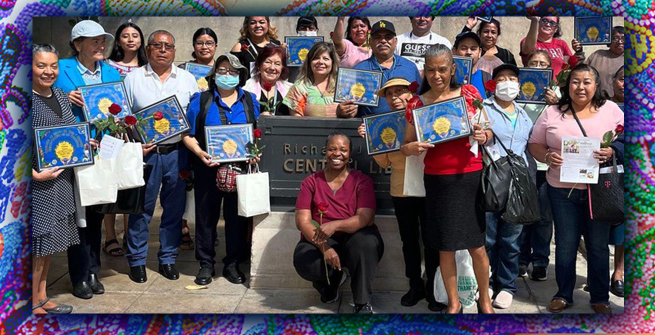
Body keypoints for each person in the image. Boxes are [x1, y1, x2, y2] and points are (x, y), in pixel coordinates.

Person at [400, 44, 494, 314]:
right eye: (430, 70)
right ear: (424, 71)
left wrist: (482, 135)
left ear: (453, 69)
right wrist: (413, 147)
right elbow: (404, 145)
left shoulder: (469, 94)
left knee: (477, 246)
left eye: (442, 69)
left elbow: (487, 130)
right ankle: (453, 303)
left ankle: (484, 300)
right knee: (446, 245)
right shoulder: (416, 104)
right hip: (437, 180)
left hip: (469, 177)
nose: (436, 75)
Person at [528, 64, 624, 314]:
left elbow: (630, 137)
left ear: (596, 85)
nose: (580, 87)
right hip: (561, 190)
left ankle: (600, 297)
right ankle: (563, 293)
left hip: (598, 190)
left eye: (586, 82)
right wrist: (548, 156)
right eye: (575, 82)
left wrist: (613, 150)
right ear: (567, 85)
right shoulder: (551, 112)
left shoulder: (611, 110)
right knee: (566, 243)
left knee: (598, 245)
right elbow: (534, 144)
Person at [357, 77, 443, 311]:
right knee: (409, 241)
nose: (395, 98)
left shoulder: (426, 114)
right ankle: (414, 284)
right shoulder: (384, 124)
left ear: (412, 93)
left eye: (401, 92)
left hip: (430, 185)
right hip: (402, 189)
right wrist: (371, 139)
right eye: (390, 94)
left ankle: (434, 288)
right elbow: (384, 162)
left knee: (432, 240)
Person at [123, 30, 199, 284]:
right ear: (148, 50)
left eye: (168, 46)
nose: (163, 50)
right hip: (146, 154)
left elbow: (194, 118)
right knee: (141, 210)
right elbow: (122, 117)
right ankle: (137, 261)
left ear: (175, 51)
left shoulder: (188, 79)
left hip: (177, 153)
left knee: (174, 211)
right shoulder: (133, 79)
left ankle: (167, 258)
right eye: (158, 45)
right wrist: (134, 139)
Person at [54, 20, 120, 300]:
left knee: (95, 215)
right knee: (77, 218)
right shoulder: (61, 69)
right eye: (94, 41)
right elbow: (41, 98)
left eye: (102, 40)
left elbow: (120, 108)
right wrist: (63, 97)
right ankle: (79, 275)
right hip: (73, 152)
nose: (101, 45)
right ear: (77, 45)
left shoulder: (112, 71)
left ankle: (94, 270)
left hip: (103, 151)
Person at [183, 53, 261, 286]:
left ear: (241, 75)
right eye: (222, 70)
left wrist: (256, 152)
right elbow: (187, 135)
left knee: (236, 218)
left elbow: (257, 132)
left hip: (240, 169)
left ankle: (232, 263)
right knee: (206, 217)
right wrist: (200, 154)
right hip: (208, 167)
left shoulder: (250, 100)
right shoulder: (201, 100)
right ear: (214, 74)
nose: (227, 75)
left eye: (232, 71)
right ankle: (206, 264)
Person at [293, 131, 384, 314]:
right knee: (305, 259)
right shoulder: (311, 182)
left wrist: (335, 225)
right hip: (323, 239)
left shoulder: (361, 181)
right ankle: (330, 284)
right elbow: (302, 221)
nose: (337, 154)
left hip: (355, 238)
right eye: (332, 149)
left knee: (364, 243)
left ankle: (362, 302)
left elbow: (365, 217)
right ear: (325, 152)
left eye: (343, 150)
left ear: (349, 154)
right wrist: (325, 247)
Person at [31, 44, 87, 314]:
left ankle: (41, 296)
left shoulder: (62, 96)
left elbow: (71, 132)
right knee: (38, 241)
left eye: (53, 66)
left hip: (62, 180)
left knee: (50, 241)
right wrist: (31, 174)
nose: (48, 71)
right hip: (37, 184)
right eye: (41, 65)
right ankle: (31, 300)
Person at [482, 64, 533, 309]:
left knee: (512, 239)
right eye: (501, 78)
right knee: (489, 236)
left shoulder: (524, 113)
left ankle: (507, 285)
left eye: (512, 78)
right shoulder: (483, 108)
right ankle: (487, 281)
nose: (507, 82)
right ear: (493, 84)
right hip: (492, 179)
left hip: (519, 183)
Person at [104, 21, 148, 258]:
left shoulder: (148, 67)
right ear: (118, 40)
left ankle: (129, 232)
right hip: (112, 131)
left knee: (131, 178)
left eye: (135, 35)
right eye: (125, 35)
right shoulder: (108, 67)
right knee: (111, 180)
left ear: (141, 40)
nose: (131, 39)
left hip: (137, 132)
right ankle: (110, 235)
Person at [177, 27, 220, 251]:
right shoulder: (183, 70)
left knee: (207, 188)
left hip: (212, 133)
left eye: (209, 42)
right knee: (185, 181)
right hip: (189, 129)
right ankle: (182, 227)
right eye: (200, 42)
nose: (205, 46)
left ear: (216, 46)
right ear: (194, 46)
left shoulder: (222, 69)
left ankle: (207, 231)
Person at [518, 50, 558, 281]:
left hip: (546, 167)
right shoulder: (518, 90)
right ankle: (522, 258)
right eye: (534, 62)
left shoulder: (559, 94)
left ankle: (540, 261)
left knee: (543, 216)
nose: (538, 66)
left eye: (543, 63)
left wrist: (556, 103)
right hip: (523, 164)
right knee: (522, 213)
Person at [351, 20, 421, 116]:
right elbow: (348, 105)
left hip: (406, 127)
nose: (383, 41)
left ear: (395, 41)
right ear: (370, 42)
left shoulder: (410, 67)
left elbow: (419, 99)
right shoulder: (358, 70)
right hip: (372, 128)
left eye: (388, 37)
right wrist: (343, 110)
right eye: (378, 37)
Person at [282, 42, 354, 117]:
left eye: (326, 59)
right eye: (316, 58)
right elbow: (296, 122)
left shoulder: (343, 87)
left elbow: (352, 115)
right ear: (309, 62)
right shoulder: (299, 88)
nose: (321, 62)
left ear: (333, 63)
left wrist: (345, 113)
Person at [520, 16, 584, 76]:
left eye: (552, 23)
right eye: (545, 21)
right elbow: (528, 48)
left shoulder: (561, 44)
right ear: (539, 23)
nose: (548, 24)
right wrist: (534, 21)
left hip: (557, 86)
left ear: (556, 29)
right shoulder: (528, 41)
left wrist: (578, 51)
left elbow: (571, 65)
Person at [243, 46, 293, 115]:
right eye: (268, 62)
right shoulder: (246, 89)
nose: (272, 67)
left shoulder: (290, 89)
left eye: (277, 64)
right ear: (259, 64)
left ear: (282, 68)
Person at [230, 16, 281, 83]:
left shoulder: (277, 45)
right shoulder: (239, 47)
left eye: (262, 22)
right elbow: (231, 74)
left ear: (268, 25)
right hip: (248, 90)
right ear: (247, 26)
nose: (258, 25)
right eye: (253, 23)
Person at [585, 26, 625, 98]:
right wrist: (578, 53)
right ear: (608, 40)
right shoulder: (597, 55)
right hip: (596, 101)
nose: (620, 42)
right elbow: (582, 72)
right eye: (615, 38)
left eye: (623, 39)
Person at [452, 31, 488, 97]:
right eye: (464, 48)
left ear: (480, 52)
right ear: (454, 51)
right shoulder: (447, 77)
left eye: (473, 49)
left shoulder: (487, 78)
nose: (469, 52)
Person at [288, 16, 320, 82]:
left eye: (311, 29)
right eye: (303, 28)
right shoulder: (290, 48)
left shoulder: (322, 48)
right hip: (295, 84)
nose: (307, 31)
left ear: (316, 30)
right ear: (297, 30)